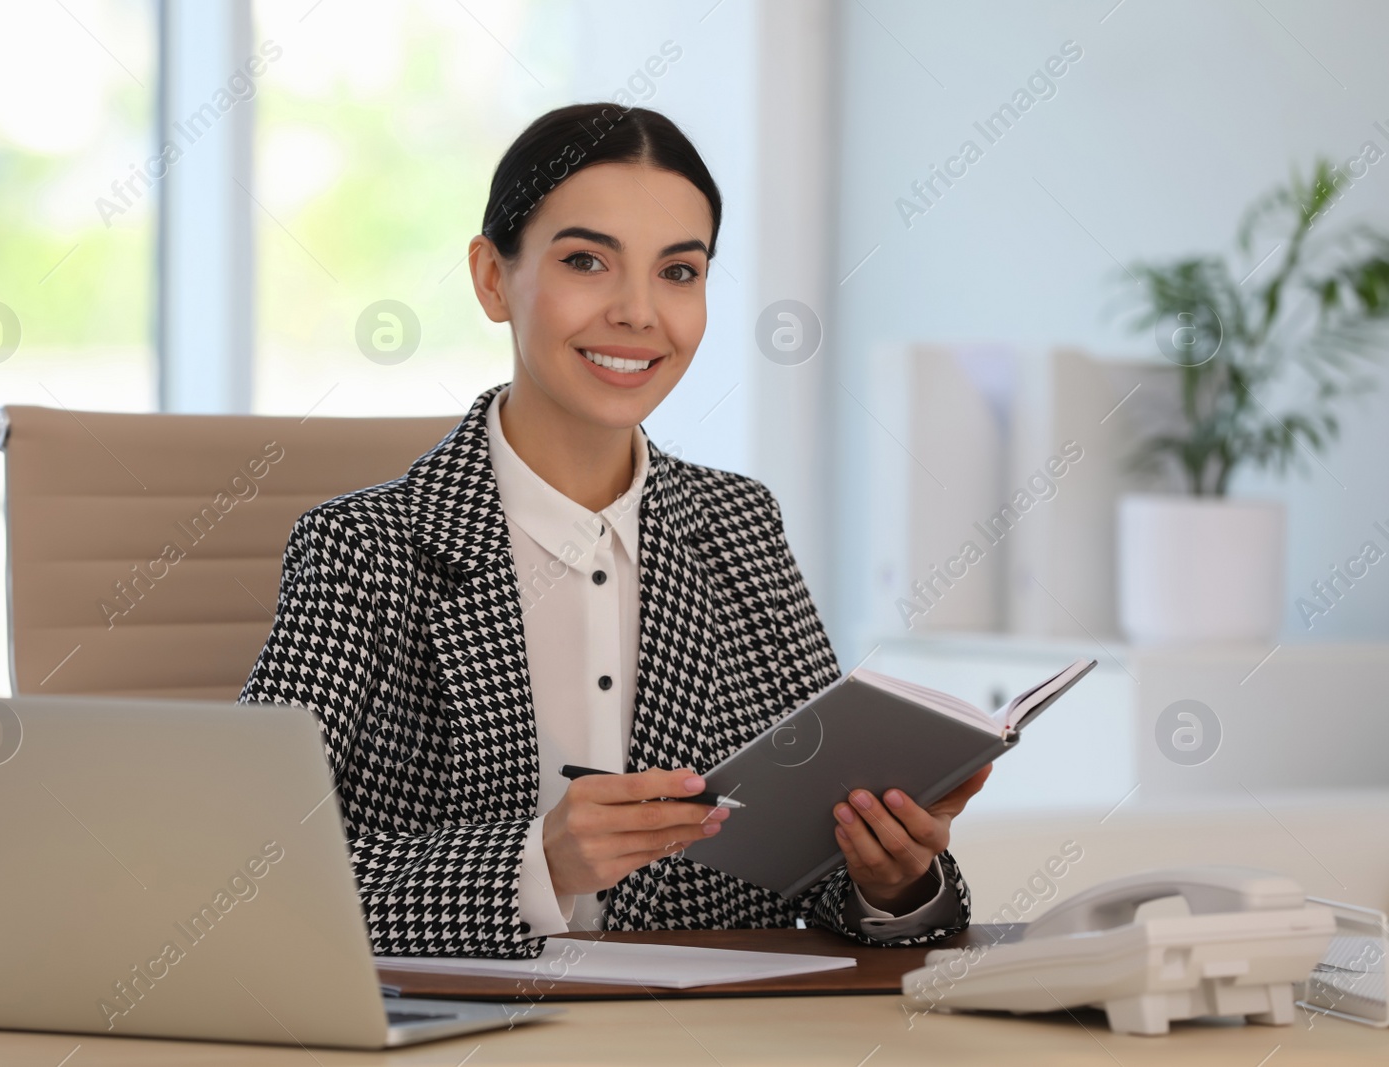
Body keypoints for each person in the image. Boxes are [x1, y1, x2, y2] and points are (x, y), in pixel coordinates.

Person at [240, 102, 990, 959]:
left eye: (679, 272)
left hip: (714, 1037)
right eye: (587, 261)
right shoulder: (365, 550)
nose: (639, 313)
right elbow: (247, 872)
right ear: (492, 278)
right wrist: (537, 863)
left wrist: (889, 878)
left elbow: (815, 867)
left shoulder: (739, 526)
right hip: (468, 1034)